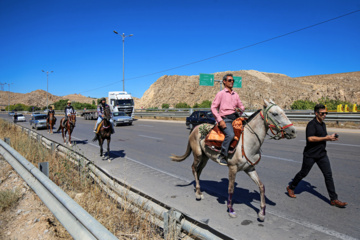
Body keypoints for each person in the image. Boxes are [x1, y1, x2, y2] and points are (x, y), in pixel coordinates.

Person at [286, 104, 347, 208]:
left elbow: (323, 137)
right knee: (303, 173)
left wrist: (331, 137)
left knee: (328, 175)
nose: (324, 115)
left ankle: (334, 199)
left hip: (322, 154)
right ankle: (291, 187)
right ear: (316, 113)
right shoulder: (311, 124)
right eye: (322, 113)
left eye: (326, 113)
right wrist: (326, 138)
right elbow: (310, 138)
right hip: (310, 155)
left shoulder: (323, 124)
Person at [211, 73, 245, 166]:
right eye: (230, 80)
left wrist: (241, 108)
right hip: (225, 119)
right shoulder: (220, 94)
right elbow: (213, 108)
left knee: (248, 130)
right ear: (224, 82)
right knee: (230, 134)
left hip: (236, 117)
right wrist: (219, 120)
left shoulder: (236, 94)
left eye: (233, 80)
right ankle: (222, 155)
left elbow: (241, 105)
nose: (232, 82)